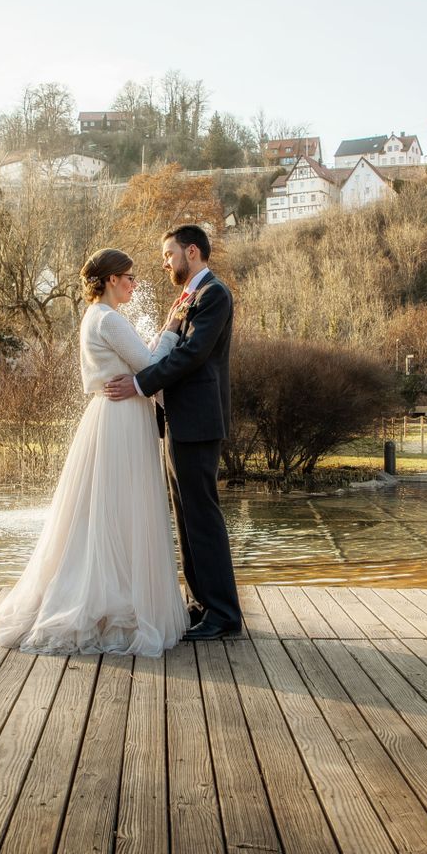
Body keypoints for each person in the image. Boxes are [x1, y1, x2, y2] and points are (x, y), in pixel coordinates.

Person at [0, 248, 188, 656]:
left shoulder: (95, 317)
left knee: (103, 511)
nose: (134, 283)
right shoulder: (108, 318)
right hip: (122, 420)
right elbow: (147, 365)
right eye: (129, 276)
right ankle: (110, 606)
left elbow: (132, 365)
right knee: (122, 509)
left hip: (110, 418)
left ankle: (108, 598)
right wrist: (170, 329)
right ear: (111, 279)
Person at [104, 224, 239, 640]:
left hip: (198, 421)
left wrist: (140, 385)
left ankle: (224, 615)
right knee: (185, 518)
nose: (165, 262)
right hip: (180, 421)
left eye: (169, 254)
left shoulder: (213, 294)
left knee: (203, 517)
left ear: (192, 251)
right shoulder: (185, 298)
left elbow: (193, 354)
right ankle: (200, 606)